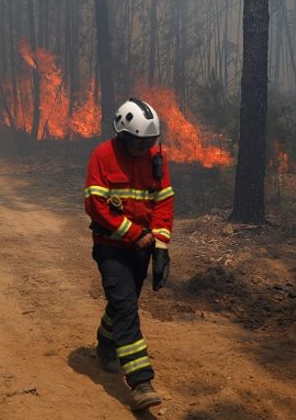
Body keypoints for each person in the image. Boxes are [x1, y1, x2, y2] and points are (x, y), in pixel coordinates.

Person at [84, 97, 174, 411]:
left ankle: (106, 344)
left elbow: (163, 202)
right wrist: (135, 233)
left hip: (143, 249)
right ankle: (140, 382)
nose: (144, 149)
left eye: (149, 142)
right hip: (112, 247)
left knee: (124, 304)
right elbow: (96, 205)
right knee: (125, 306)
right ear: (123, 135)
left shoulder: (155, 158)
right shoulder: (102, 156)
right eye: (138, 143)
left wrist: (161, 248)